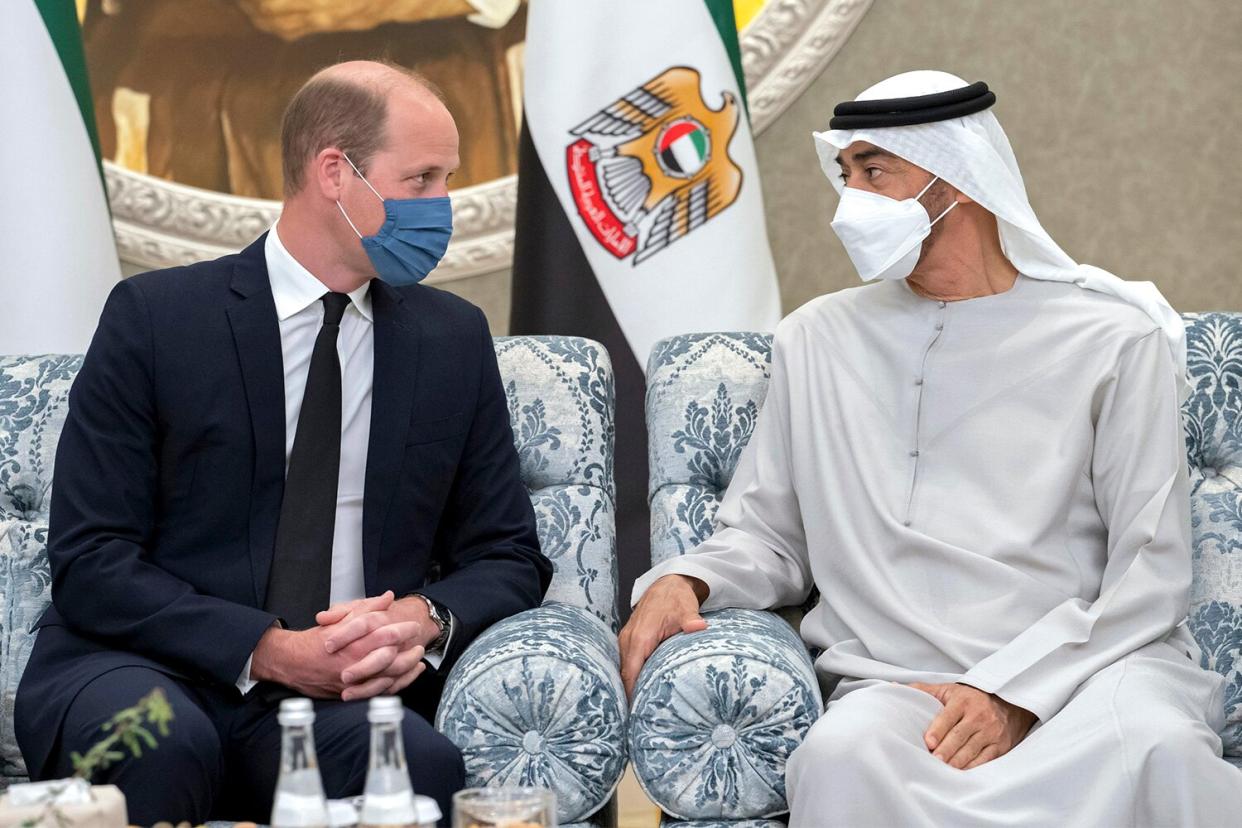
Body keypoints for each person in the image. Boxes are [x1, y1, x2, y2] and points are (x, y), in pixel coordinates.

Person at [620, 70, 1242, 826]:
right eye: (844, 175)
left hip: (1089, 674)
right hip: (900, 686)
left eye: (876, 172)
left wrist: (1017, 693)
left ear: (960, 180)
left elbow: (1151, 571)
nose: (851, 200)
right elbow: (769, 533)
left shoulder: (1113, 340)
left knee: (1159, 748)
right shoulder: (815, 338)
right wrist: (686, 581)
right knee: (839, 758)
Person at [15, 60, 552, 825]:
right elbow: (91, 556)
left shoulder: (451, 338)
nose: (444, 207)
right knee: (165, 745)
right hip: (141, 667)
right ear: (336, 172)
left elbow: (507, 553)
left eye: (448, 180)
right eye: (423, 179)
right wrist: (264, 647)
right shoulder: (157, 319)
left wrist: (421, 620)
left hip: (331, 697)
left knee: (421, 766)